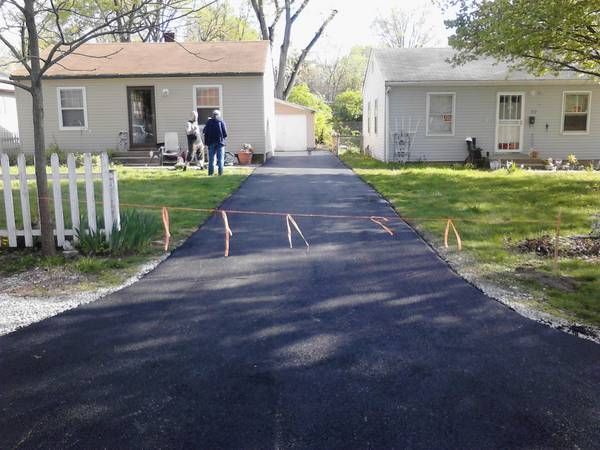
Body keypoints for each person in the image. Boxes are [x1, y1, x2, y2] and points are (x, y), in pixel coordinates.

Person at [202, 109, 228, 176]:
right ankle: (220, 173)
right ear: (219, 115)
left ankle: (210, 174)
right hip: (220, 143)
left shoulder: (209, 122)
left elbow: (204, 131)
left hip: (211, 143)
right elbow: (225, 134)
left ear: (212, 115)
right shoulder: (221, 121)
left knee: (211, 159)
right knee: (220, 159)